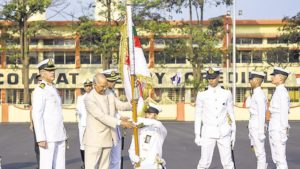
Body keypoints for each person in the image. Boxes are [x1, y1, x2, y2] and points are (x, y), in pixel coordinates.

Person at [83, 73, 133, 169]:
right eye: (102, 86)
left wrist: (132, 103)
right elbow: (102, 116)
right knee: (91, 166)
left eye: (105, 86)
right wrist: (121, 122)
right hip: (94, 140)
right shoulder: (89, 98)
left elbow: (120, 105)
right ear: (94, 84)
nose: (104, 89)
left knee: (105, 167)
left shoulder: (109, 93)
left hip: (108, 138)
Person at [194, 67, 236, 169]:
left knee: (228, 163)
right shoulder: (202, 94)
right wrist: (197, 134)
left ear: (218, 77)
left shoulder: (226, 93)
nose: (211, 80)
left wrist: (233, 132)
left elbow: (231, 114)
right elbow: (198, 115)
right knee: (204, 163)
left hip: (224, 132)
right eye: (209, 78)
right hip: (208, 133)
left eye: (213, 78)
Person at [31, 59, 67, 169]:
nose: (53, 72)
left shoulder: (52, 88)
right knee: (47, 166)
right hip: (48, 137)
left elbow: (57, 114)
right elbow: (37, 114)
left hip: (59, 134)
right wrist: (41, 137)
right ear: (42, 73)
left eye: (53, 70)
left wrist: (64, 133)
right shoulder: (40, 90)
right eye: (49, 70)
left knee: (60, 166)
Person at [128, 103, 167, 169]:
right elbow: (132, 147)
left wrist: (137, 120)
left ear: (155, 115)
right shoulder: (140, 129)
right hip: (141, 164)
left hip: (154, 165)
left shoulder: (160, 129)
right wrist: (134, 159)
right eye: (146, 113)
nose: (147, 115)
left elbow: (156, 123)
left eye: (149, 114)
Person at [269, 67, 290, 169]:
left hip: (278, 129)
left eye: (274, 75)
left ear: (281, 78)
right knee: (276, 158)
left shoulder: (282, 93)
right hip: (274, 128)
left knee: (280, 159)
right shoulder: (278, 91)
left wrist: (283, 132)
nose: (272, 77)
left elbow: (284, 114)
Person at [102, 69, 123, 169]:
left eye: (114, 80)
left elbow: (115, 110)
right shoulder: (102, 94)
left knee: (116, 159)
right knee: (105, 161)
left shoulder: (112, 92)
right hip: (106, 130)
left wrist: (121, 118)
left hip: (115, 129)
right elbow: (104, 115)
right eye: (110, 81)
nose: (113, 83)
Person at [248, 71, 268, 169]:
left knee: (260, 153)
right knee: (257, 152)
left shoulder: (259, 95)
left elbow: (262, 114)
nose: (250, 81)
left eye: (251, 79)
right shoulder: (255, 93)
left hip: (257, 126)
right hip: (253, 125)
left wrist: (261, 132)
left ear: (256, 80)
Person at [76, 79, 93, 169]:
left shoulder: (96, 97)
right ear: (84, 87)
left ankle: (92, 163)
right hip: (83, 124)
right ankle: (85, 163)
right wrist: (77, 113)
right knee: (82, 144)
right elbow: (78, 109)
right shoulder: (80, 98)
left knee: (93, 144)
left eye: (90, 85)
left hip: (93, 124)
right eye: (86, 86)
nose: (88, 87)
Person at [29, 74, 42, 169]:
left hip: (47, 123)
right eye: (39, 80)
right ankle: (40, 165)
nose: (40, 82)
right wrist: (31, 122)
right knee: (37, 146)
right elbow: (31, 108)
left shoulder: (51, 90)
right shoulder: (35, 92)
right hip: (37, 122)